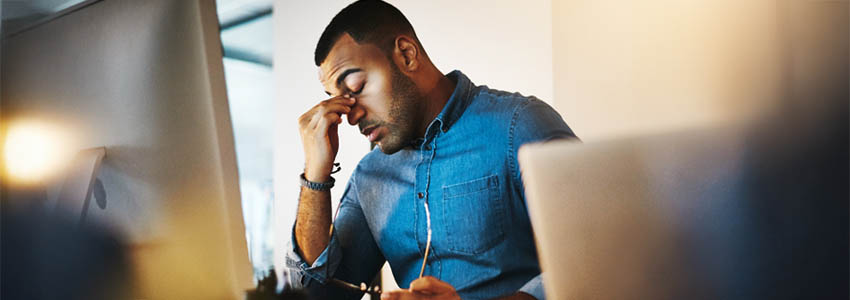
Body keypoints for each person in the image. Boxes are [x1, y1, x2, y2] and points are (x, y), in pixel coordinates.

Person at [285, 1, 576, 299]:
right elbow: (316, 295)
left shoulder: (520, 126)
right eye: (339, 101)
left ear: (407, 55)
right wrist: (315, 174)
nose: (350, 115)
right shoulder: (369, 177)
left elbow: (596, 261)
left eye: (356, 88)